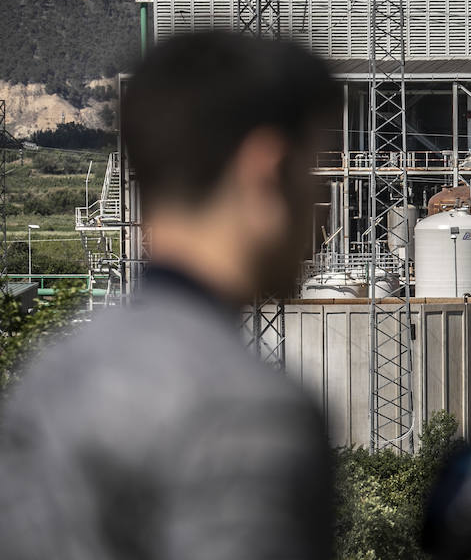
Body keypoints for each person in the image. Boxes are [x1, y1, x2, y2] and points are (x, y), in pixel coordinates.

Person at [0, 32, 342, 560]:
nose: (320, 208)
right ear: (267, 170)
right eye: (313, 171)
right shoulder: (245, 411)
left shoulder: (52, 371)